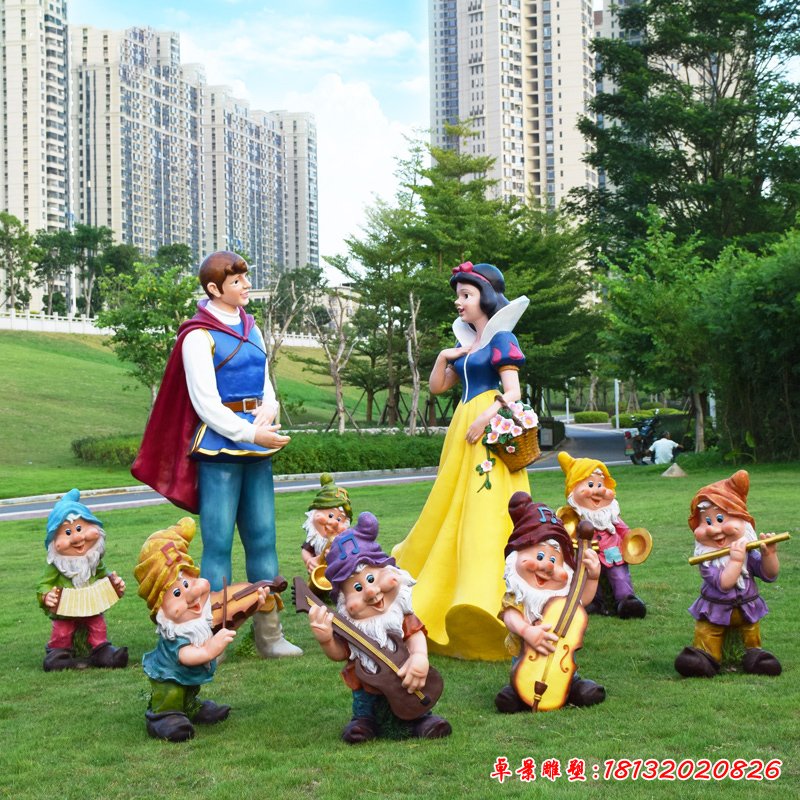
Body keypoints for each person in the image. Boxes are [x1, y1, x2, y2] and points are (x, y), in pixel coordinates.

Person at [132, 251, 300, 658]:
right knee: (219, 544)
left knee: (263, 539)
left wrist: (269, 409)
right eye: (237, 281)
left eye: (245, 278)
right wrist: (250, 432)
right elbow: (205, 403)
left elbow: (265, 381)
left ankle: (270, 634)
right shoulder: (198, 336)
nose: (246, 286)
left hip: (256, 444)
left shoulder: (253, 329)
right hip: (221, 448)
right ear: (214, 288)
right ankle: (212, 634)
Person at [392, 262, 530, 660]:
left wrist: (487, 417)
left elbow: (514, 392)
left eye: (466, 295)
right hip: (463, 427)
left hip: (487, 428)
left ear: (485, 297)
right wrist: (444, 355)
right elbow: (438, 387)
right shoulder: (467, 342)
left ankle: (485, 598)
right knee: (450, 502)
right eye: (458, 295)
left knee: (485, 507)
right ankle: (444, 589)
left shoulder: (502, 338)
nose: (459, 302)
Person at [306, 512, 452, 743]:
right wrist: (326, 640)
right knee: (365, 704)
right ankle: (364, 722)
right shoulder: (352, 627)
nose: (371, 592)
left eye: (372, 579)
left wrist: (419, 658)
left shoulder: (400, 616)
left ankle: (422, 719)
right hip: (368, 684)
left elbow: (415, 636)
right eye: (357, 588)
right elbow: (340, 653)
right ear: (344, 600)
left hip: (405, 680)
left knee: (413, 696)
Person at [135, 517, 262, 741]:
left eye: (187, 583)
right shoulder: (177, 636)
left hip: (187, 676)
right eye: (177, 593)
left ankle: (190, 706)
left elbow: (224, 628)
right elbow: (189, 656)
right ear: (161, 610)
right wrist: (211, 649)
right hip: (169, 677)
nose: (191, 594)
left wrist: (251, 607)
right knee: (172, 693)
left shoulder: (196, 624)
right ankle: (164, 717)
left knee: (189, 688)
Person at [495, 493, 605, 712]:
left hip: (561, 660)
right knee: (518, 685)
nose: (546, 566)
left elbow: (581, 601)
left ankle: (572, 687)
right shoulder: (518, 594)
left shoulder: (562, 594)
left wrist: (592, 577)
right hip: (527, 656)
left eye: (554, 560)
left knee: (571, 680)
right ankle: (518, 692)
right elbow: (510, 616)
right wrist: (527, 631)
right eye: (539, 557)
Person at [674, 470, 782, 678]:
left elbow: (769, 575)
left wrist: (769, 555)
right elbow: (724, 584)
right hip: (714, 612)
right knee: (707, 634)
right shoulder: (707, 561)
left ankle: (754, 657)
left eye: (720, 519)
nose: (714, 530)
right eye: (707, 522)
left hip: (747, 610)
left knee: (751, 635)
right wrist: (735, 561)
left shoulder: (748, 553)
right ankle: (705, 658)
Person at [37, 488, 128, 671]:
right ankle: (59, 654)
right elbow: (44, 584)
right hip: (65, 611)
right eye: (67, 532)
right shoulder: (57, 566)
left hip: (91, 607)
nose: (77, 537)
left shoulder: (93, 560)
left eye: (80, 528)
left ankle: (102, 651)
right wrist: (46, 596)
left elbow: (103, 575)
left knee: (97, 625)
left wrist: (114, 584)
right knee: (63, 630)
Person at [556, 453, 647, 618]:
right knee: (587, 578)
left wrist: (630, 540)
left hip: (613, 553)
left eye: (601, 485)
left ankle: (626, 600)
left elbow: (623, 529)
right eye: (590, 484)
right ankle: (593, 601)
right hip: (588, 555)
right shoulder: (574, 517)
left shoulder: (610, 515)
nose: (597, 491)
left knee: (619, 576)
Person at [301, 472, 352, 577]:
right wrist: (309, 560)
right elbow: (306, 551)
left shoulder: (345, 540)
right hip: (318, 574)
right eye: (330, 515)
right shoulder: (314, 539)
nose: (334, 522)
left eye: (339, 519)